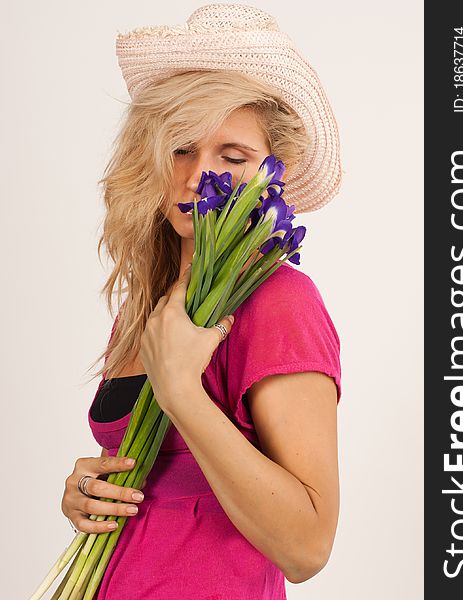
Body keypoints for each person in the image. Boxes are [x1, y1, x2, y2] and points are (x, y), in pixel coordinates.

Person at [61, 4, 343, 599]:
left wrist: (183, 391)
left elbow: (307, 547)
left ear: (273, 175)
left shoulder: (279, 303)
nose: (197, 176)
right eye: (181, 148)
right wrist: (88, 492)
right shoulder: (146, 306)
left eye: (232, 157)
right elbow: (161, 485)